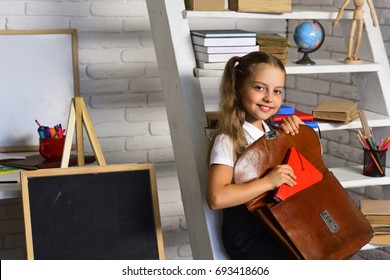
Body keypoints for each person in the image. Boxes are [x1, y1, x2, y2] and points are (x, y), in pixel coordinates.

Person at [206, 51, 304, 260]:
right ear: (238, 88)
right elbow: (216, 198)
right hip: (250, 237)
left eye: (277, 91)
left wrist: (301, 136)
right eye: (259, 88)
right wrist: (268, 182)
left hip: (279, 228)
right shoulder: (229, 139)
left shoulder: (274, 133)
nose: (269, 98)